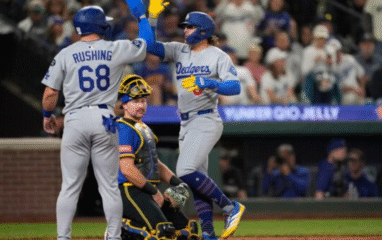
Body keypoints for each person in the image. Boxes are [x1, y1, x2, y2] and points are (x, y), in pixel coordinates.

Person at [41, 4, 156, 240]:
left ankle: (63, 237)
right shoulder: (116, 48)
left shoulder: (65, 53)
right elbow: (148, 42)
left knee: (70, 186)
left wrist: (46, 116)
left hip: (75, 119)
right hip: (104, 118)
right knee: (109, 187)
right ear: (101, 25)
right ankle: (113, 237)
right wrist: (143, 17)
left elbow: (50, 94)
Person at [145, 2, 246, 239]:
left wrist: (210, 83)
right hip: (187, 122)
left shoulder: (217, 55)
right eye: (185, 26)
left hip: (206, 119)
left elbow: (235, 86)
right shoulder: (180, 50)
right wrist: (151, 17)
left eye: (190, 27)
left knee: (185, 170)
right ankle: (209, 233)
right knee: (197, 181)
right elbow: (150, 45)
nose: (185, 30)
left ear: (203, 31)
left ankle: (231, 207)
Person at [111, 74, 200, 240]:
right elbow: (127, 169)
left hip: (147, 189)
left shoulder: (143, 128)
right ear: (124, 104)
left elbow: (155, 163)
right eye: (135, 101)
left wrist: (178, 183)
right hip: (129, 191)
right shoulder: (124, 129)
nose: (141, 105)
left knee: (188, 231)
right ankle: (121, 228)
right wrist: (154, 192)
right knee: (162, 231)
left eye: (143, 100)